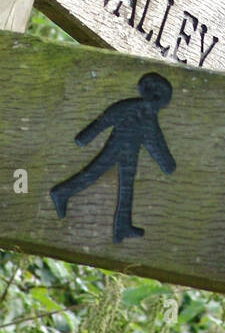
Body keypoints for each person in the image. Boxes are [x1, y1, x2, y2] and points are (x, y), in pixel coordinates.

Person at [50, 72, 175, 241]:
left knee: (124, 187)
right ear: (156, 97)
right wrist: (167, 164)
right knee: (93, 174)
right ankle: (61, 193)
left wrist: (84, 137)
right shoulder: (142, 113)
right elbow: (154, 142)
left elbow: (153, 141)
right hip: (117, 149)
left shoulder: (141, 111)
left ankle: (122, 226)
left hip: (128, 154)